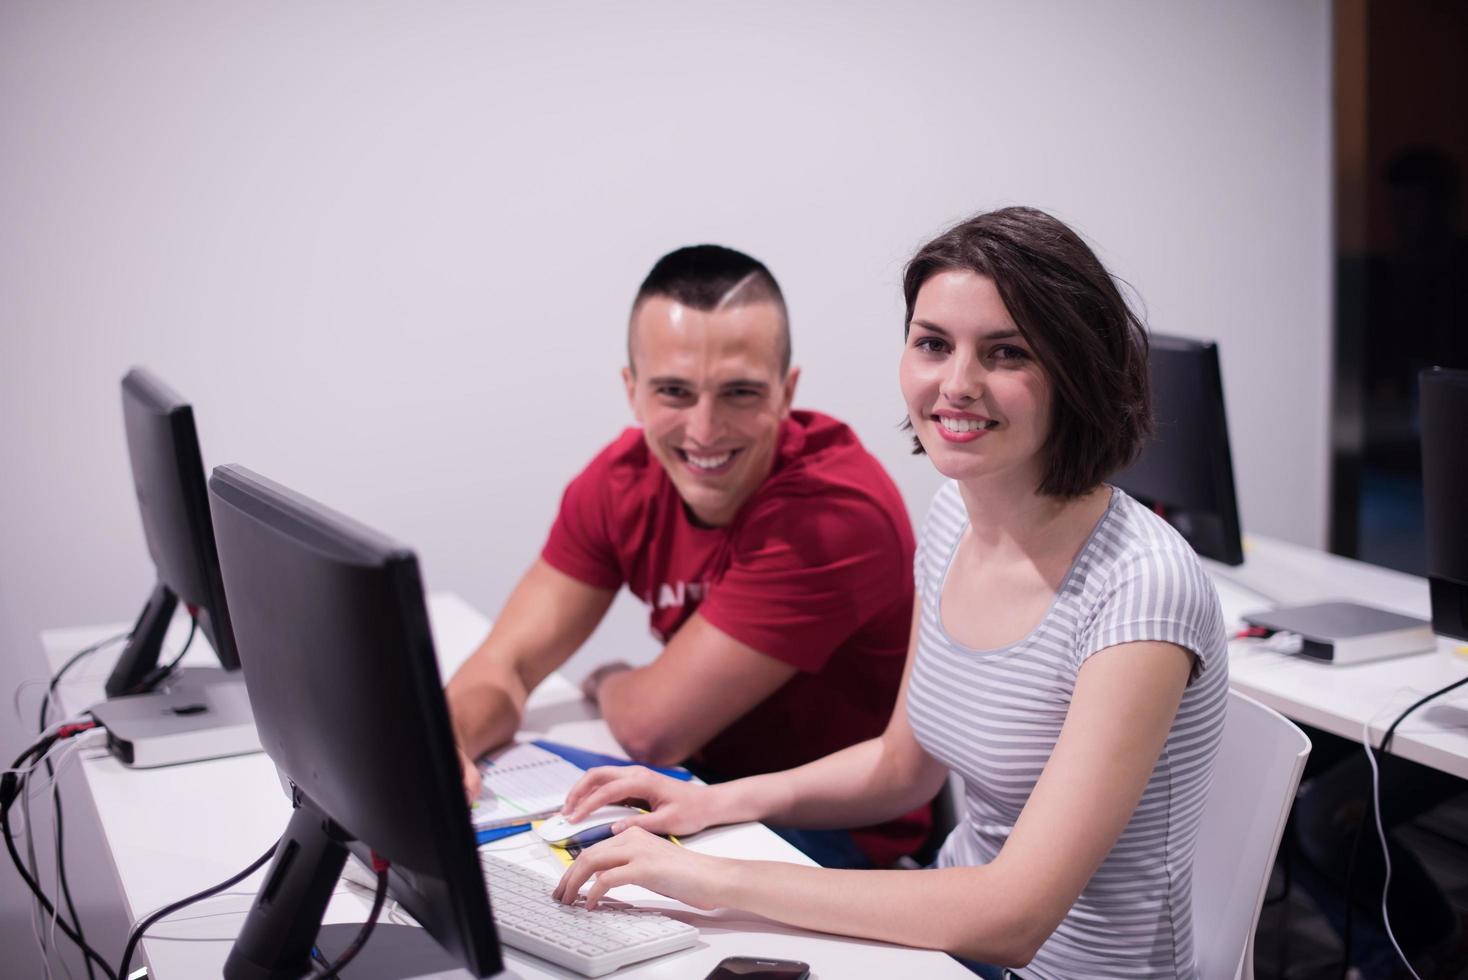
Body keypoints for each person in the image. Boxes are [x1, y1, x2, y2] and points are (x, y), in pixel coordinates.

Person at [550, 208, 1231, 980]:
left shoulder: (1142, 586)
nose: (957, 384)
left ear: (1077, 372)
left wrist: (709, 879)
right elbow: (901, 768)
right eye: (933, 344)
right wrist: (711, 803)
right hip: (942, 953)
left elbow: (1014, 918)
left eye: (1006, 353)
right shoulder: (952, 519)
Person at [445, 244, 930, 869]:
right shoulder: (620, 481)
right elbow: (503, 664)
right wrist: (446, 742)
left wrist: (610, 679)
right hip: (690, 788)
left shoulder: (833, 515)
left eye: (739, 393)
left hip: (828, 838)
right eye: (675, 391)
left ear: (787, 393)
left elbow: (655, 728)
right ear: (633, 390)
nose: (704, 430)